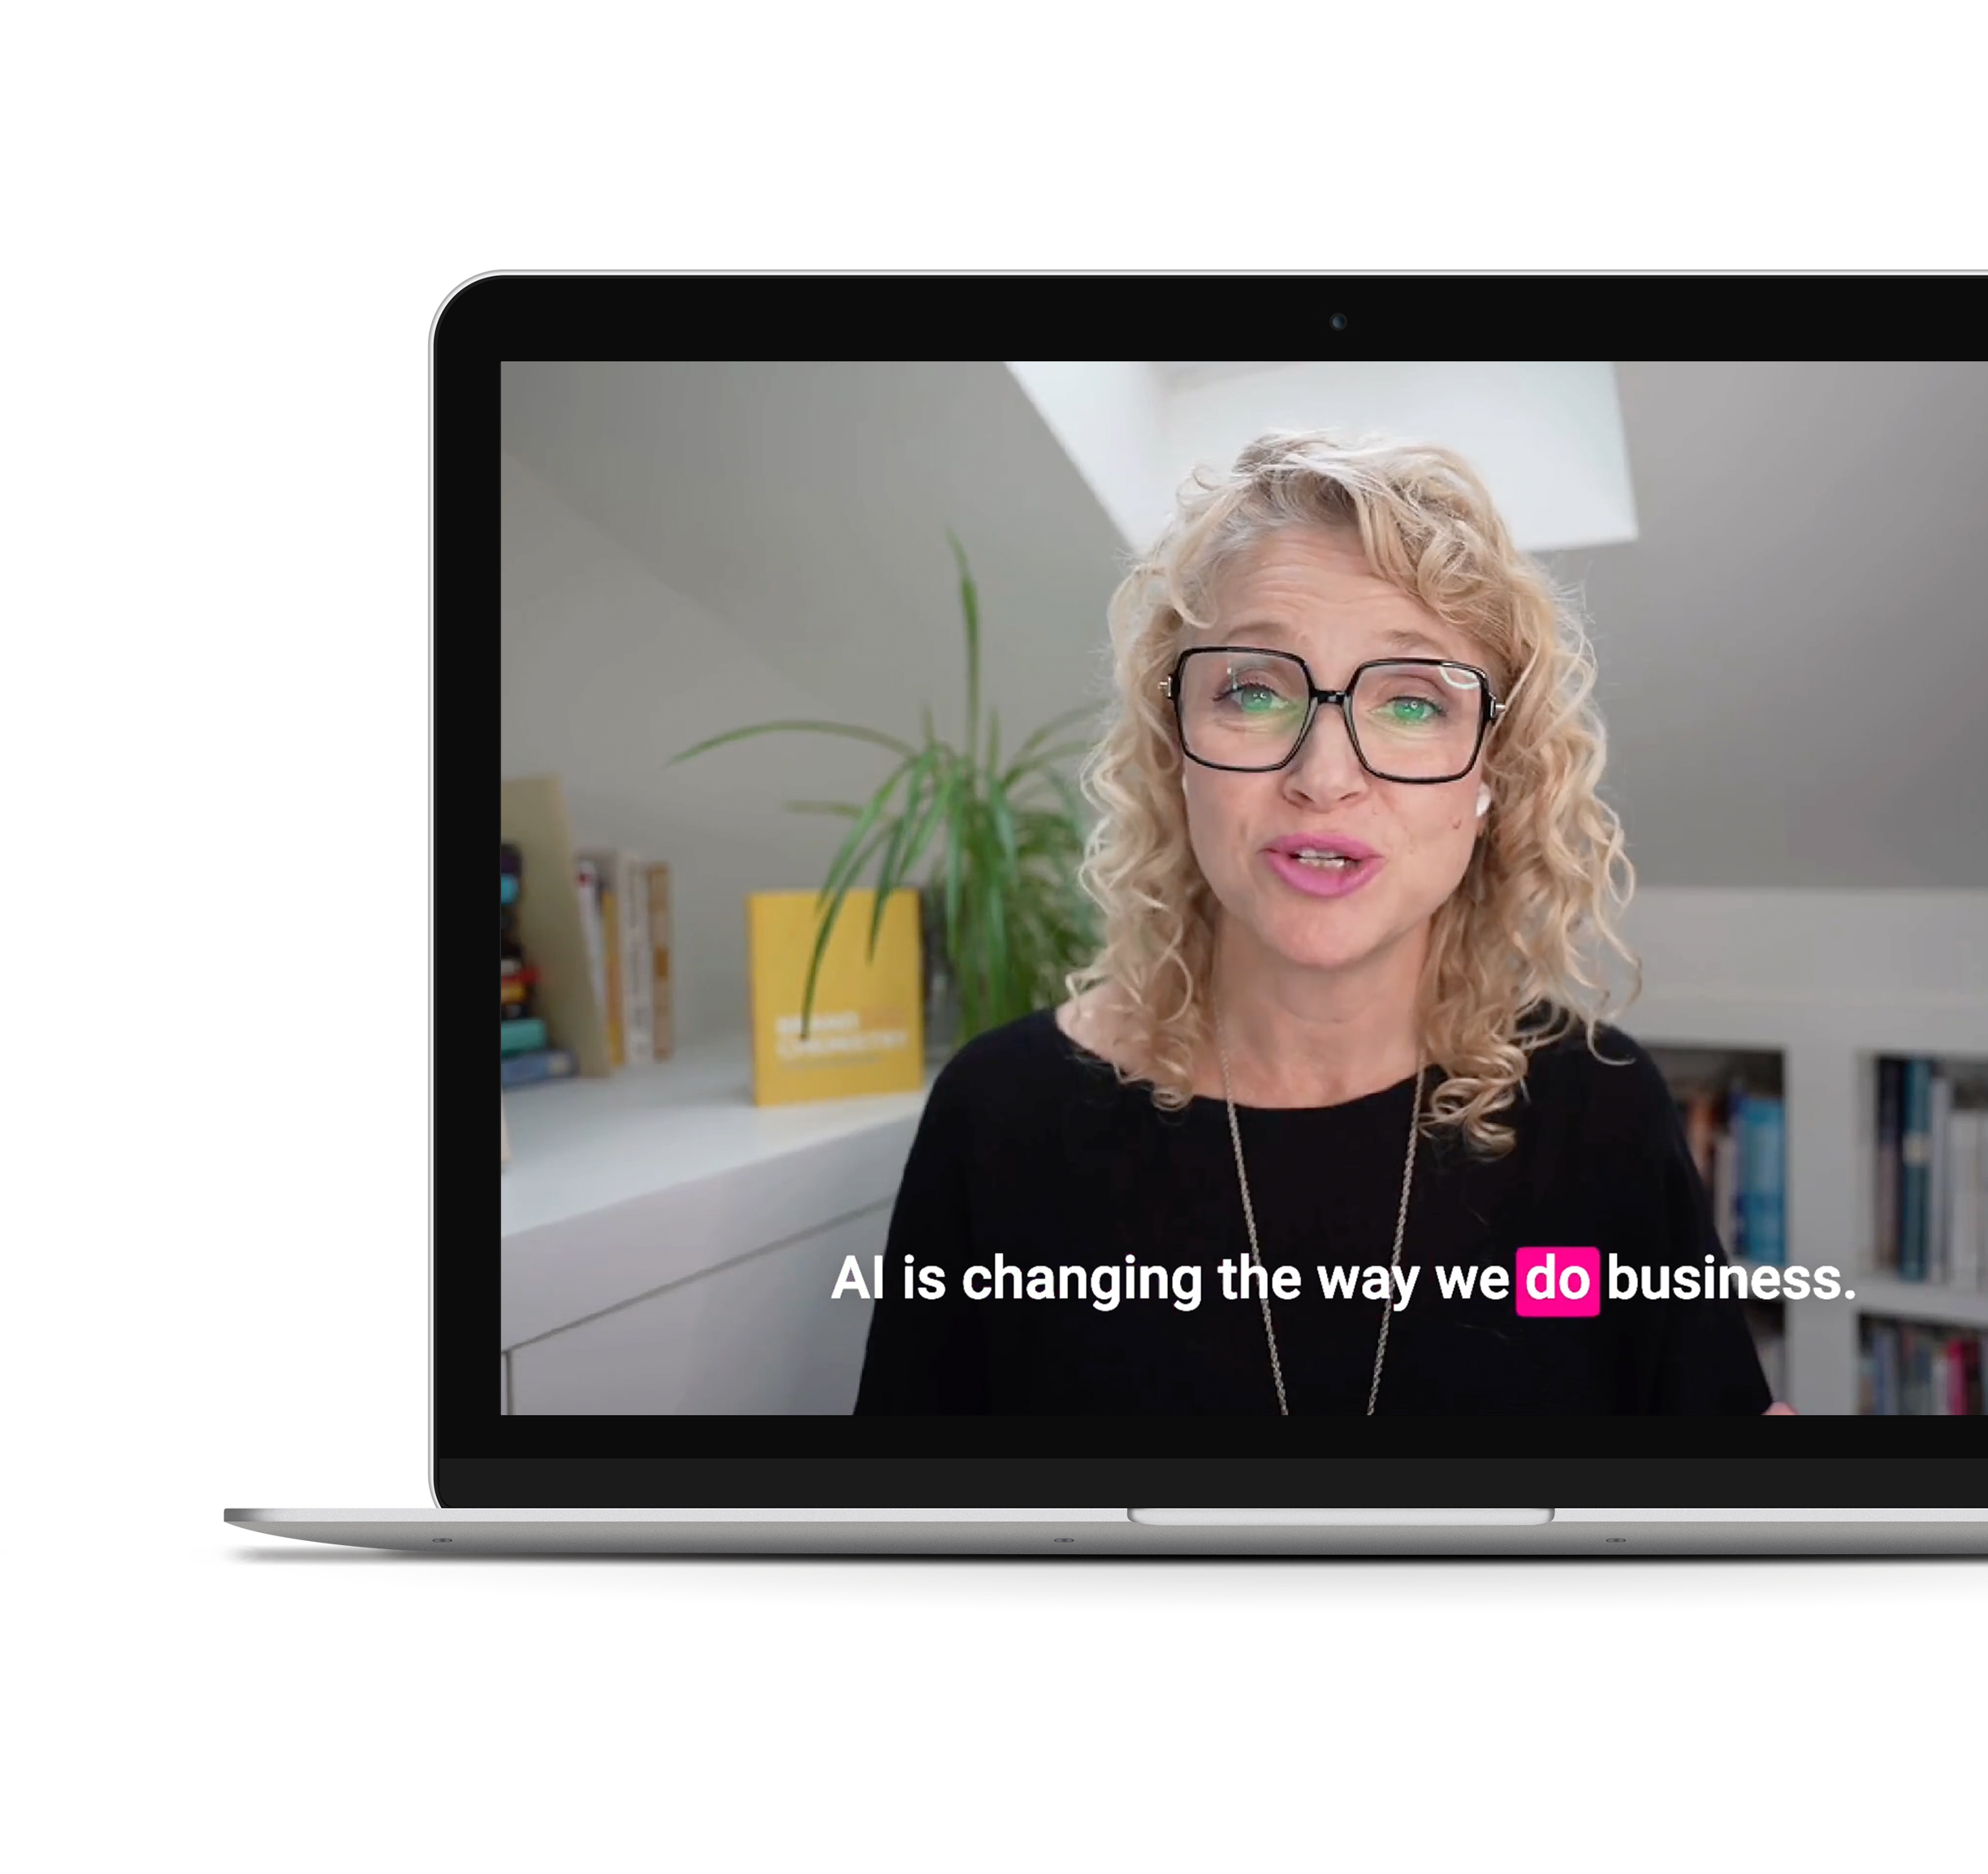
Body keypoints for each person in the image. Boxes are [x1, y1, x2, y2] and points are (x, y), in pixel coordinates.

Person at [855, 430, 1787, 1416]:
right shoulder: (999, 1116)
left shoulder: (1605, 1114)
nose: (1325, 777)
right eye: (1254, 691)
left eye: (1414, 703)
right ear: (1176, 745)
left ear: (1493, 773)